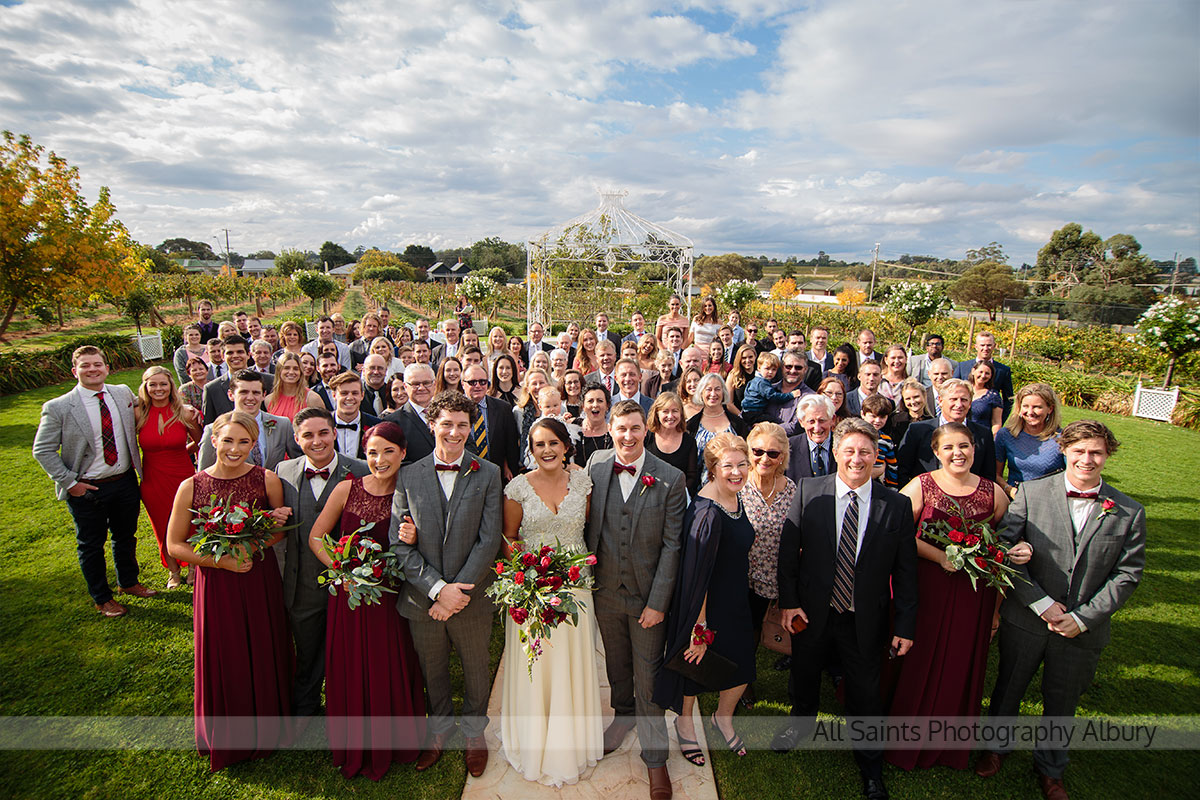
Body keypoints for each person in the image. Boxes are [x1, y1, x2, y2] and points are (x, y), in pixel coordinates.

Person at [977, 421, 1146, 800]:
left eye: (1096, 452)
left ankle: (1051, 768)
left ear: (1107, 455)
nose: (1087, 459)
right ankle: (995, 748)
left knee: (1062, 700)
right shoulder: (1032, 494)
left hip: (1083, 629)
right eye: (1080, 451)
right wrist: (1040, 603)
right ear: (1065, 451)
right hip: (1028, 619)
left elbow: (1127, 575)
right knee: (1009, 688)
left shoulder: (1129, 512)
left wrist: (1083, 618)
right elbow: (1006, 554)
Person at [772, 418, 918, 800]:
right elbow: (788, 555)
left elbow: (905, 574)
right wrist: (789, 603)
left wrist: (904, 625)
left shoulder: (897, 505)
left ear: (876, 456)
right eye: (849, 450)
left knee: (866, 692)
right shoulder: (808, 491)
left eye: (865, 452)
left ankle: (870, 766)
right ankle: (800, 723)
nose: (857, 459)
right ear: (835, 452)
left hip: (864, 618)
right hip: (812, 613)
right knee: (804, 674)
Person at [164, 411, 294, 771]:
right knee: (224, 649)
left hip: (258, 577)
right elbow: (174, 545)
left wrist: (250, 549)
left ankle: (269, 729)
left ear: (254, 445)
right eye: (228, 440)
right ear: (214, 440)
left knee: (263, 644)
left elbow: (279, 530)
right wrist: (222, 562)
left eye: (244, 442)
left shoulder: (267, 480)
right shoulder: (191, 486)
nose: (235, 449)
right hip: (216, 582)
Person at [886, 422, 1017, 771]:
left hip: (975, 593)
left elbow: (1000, 545)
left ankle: (948, 743)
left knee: (960, 658)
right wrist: (939, 555)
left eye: (965, 446)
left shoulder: (994, 494)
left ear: (975, 449)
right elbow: (896, 534)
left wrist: (996, 607)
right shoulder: (920, 487)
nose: (957, 453)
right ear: (936, 452)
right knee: (920, 655)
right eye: (949, 447)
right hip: (928, 585)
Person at [303, 421, 426, 779]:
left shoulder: (414, 491)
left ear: (403, 453)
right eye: (372, 452)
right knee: (352, 663)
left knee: (391, 662)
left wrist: (415, 536)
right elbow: (316, 538)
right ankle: (354, 742)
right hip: (350, 598)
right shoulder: (346, 489)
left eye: (388, 451)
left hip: (392, 599)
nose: (379, 459)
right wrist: (343, 570)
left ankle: (397, 740)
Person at [390, 391, 503, 778]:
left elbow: (489, 540)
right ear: (432, 425)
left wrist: (458, 592)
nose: (454, 432)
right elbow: (399, 544)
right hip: (424, 601)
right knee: (432, 671)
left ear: (470, 428)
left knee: (476, 670)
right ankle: (438, 731)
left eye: (462, 425)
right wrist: (439, 590)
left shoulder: (487, 473)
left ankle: (474, 734)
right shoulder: (408, 475)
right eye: (447, 424)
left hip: (471, 599)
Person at [585, 400, 687, 800]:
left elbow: (672, 546)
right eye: (620, 428)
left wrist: (658, 602)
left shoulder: (671, 477)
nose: (627, 436)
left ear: (646, 429)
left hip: (648, 597)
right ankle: (622, 715)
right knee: (616, 662)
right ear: (609, 428)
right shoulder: (595, 465)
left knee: (648, 676)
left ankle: (655, 757)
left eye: (634, 428)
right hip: (606, 591)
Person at [495, 417, 603, 785]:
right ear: (531, 448)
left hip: (576, 588)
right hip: (533, 591)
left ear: (566, 446)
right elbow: (510, 538)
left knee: (571, 662)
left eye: (553, 443)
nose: (547, 451)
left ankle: (573, 740)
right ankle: (534, 740)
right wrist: (527, 579)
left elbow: (587, 529)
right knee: (537, 665)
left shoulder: (583, 483)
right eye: (539, 444)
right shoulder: (518, 488)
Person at [654, 432, 757, 764]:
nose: (737, 472)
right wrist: (699, 629)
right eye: (729, 466)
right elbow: (697, 578)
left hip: (735, 599)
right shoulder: (707, 514)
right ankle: (686, 725)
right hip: (705, 607)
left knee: (743, 663)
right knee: (694, 667)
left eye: (743, 464)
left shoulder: (735, 496)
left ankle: (721, 719)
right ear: (713, 468)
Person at [33, 346, 154, 617]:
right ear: (75, 371)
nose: (92, 370)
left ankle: (129, 582)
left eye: (97, 364)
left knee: (125, 536)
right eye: (85, 366)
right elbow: (42, 450)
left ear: (106, 368)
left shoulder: (122, 393)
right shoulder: (59, 407)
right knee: (91, 544)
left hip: (124, 481)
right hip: (87, 488)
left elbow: (148, 406)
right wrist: (69, 482)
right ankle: (102, 597)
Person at [275, 407, 371, 721]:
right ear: (296, 438)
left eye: (323, 433)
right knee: (307, 648)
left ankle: (350, 708)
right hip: (302, 580)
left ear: (334, 433)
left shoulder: (359, 469)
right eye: (308, 435)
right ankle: (305, 708)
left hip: (350, 581)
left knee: (351, 651)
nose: (317, 441)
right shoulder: (284, 471)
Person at [740, 422, 796, 706]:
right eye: (758, 451)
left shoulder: (792, 491)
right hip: (741, 576)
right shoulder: (736, 484)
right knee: (745, 634)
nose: (764, 459)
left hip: (775, 576)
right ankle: (745, 682)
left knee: (770, 631)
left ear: (782, 457)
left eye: (772, 453)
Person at [135, 366, 202, 589]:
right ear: (145, 387)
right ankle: (173, 570)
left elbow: (201, 442)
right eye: (152, 384)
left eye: (163, 384)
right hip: (153, 480)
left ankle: (193, 565)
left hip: (182, 476)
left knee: (190, 522)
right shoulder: (138, 414)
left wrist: (182, 453)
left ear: (171, 385)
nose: (158, 389)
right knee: (161, 524)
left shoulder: (185, 413)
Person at [897, 378, 997, 487]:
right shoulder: (917, 431)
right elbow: (903, 469)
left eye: (963, 400)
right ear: (940, 401)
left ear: (970, 403)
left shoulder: (983, 434)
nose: (959, 405)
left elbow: (988, 475)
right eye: (953, 399)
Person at [198, 369, 298, 470]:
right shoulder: (213, 429)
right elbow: (204, 474)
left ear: (264, 395)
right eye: (243, 392)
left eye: (256, 393)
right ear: (231, 395)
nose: (250, 397)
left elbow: (298, 461)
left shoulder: (282, 425)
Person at [995, 383, 1066, 498]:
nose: (1030, 412)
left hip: (1049, 501)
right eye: (1026, 406)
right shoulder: (1006, 435)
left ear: (1050, 409)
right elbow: (996, 475)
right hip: (1015, 500)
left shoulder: (1062, 438)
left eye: (1037, 407)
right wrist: (1009, 490)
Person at [462, 363, 521, 483]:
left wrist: (509, 468)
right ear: (463, 384)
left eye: (482, 382)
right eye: (472, 382)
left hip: (495, 476)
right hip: (464, 475)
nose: (478, 386)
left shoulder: (503, 408)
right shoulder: (455, 409)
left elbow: (511, 444)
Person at [203, 336, 275, 424]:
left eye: (240, 352)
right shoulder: (212, 389)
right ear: (222, 356)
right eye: (230, 353)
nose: (235, 356)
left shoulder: (269, 381)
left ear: (248, 355)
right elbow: (209, 423)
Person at [646, 391, 700, 498]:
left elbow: (692, 477)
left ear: (681, 413)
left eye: (675, 411)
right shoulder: (647, 437)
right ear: (657, 413)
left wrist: (674, 493)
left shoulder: (689, 442)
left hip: (678, 498)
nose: (670, 416)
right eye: (665, 411)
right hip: (649, 496)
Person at [385, 363, 437, 465]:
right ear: (405, 386)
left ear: (434, 385)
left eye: (426, 383)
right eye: (415, 384)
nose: (421, 388)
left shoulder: (449, 413)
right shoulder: (392, 422)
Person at [955, 331, 1014, 420]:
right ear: (976, 347)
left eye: (989, 345)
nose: (986, 348)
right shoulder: (962, 367)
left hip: (987, 420)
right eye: (982, 345)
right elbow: (952, 390)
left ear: (994, 346)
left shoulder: (1003, 370)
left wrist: (1000, 419)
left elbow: (1008, 399)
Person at [784, 394, 837, 484]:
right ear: (801, 422)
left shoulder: (844, 446)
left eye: (822, 420)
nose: (817, 428)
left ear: (832, 419)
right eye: (811, 421)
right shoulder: (788, 448)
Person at [741, 352, 799, 423]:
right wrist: (791, 395)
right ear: (759, 368)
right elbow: (773, 397)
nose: (770, 372)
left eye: (774, 369)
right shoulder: (762, 383)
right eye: (767, 369)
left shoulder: (754, 380)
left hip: (747, 412)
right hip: (754, 413)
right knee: (774, 422)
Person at [266, 352, 324, 421]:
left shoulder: (312, 399)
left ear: (301, 372)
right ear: (279, 371)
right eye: (286, 368)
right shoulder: (269, 399)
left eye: (296, 369)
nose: (291, 372)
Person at [513, 368, 551, 462]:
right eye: (534, 383)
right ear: (527, 388)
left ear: (547, 384)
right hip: (528, 462)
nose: (538, 387)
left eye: (542, 382)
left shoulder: (558, 408)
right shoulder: (519, 411)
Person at [861, 394, 898, 487]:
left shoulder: (886, 440)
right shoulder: (854, 436)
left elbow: (892, 467)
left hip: (877, 485)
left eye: (882, 417)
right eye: (873, 416)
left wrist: (892, 488)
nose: (877, 420)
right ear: (863, 414)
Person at [574, 382, 614, 467]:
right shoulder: (573, 428)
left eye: (600, 401)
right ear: (583, 406)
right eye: (590, 401)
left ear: (607, 405)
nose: (595, 405)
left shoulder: (613, 434)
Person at [888, 378, 933, 445]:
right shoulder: (895, 420)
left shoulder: (932, 422)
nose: (913, 402)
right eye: (908, 399)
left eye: (916, 397)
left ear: (924, 396)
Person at [968, 360, 1004, 436]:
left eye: (987, 373)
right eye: (980, 372)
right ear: (973, 371)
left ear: (991, 376)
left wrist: (992, 439)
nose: (983, 375)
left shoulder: (993, 396)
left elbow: (996, 422)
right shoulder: (962, 389)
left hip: (982, 437)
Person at [725, 343, 758, 411]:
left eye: (750, 357)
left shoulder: (759, 374)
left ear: (755, 356)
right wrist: (741, 416)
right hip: (738, 415)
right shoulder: (733, 376)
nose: (747, 360)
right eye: (744, 358)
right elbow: (729, 403)